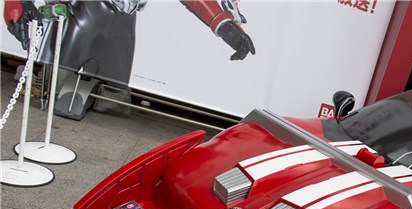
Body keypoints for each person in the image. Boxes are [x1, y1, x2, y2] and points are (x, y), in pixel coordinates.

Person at [4, 0, 255, 84]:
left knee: (112, 98)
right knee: (54, 87)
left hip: (123, 24)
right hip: (80, 13)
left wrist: (224, 25)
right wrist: (17, 6)